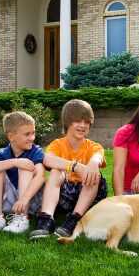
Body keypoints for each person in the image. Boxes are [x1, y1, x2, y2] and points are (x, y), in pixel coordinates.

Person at [30, 99, 108, 239]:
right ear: (67, 122)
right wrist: (75, 166)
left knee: (94, 174)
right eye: (78, 121)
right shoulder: (57, 145)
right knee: (55, 171)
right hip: (65, 195)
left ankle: (74, 219)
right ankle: (46, 218)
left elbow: (98, 157)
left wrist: (93, 163)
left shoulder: (93, 146)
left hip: (90, 196)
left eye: (87, 122)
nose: (83, 125)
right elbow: (48, 159)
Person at [0, 111, 46, 234]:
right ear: (11, 137)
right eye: (27, 134)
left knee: (25, 165)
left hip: (32, 200)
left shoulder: (35, 151)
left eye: (33, 133)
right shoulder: (3, 153)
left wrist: (24, 199)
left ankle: (22, 218)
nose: (32, 138)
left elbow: (41, 176)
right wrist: (14, 162)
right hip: (10, 202)